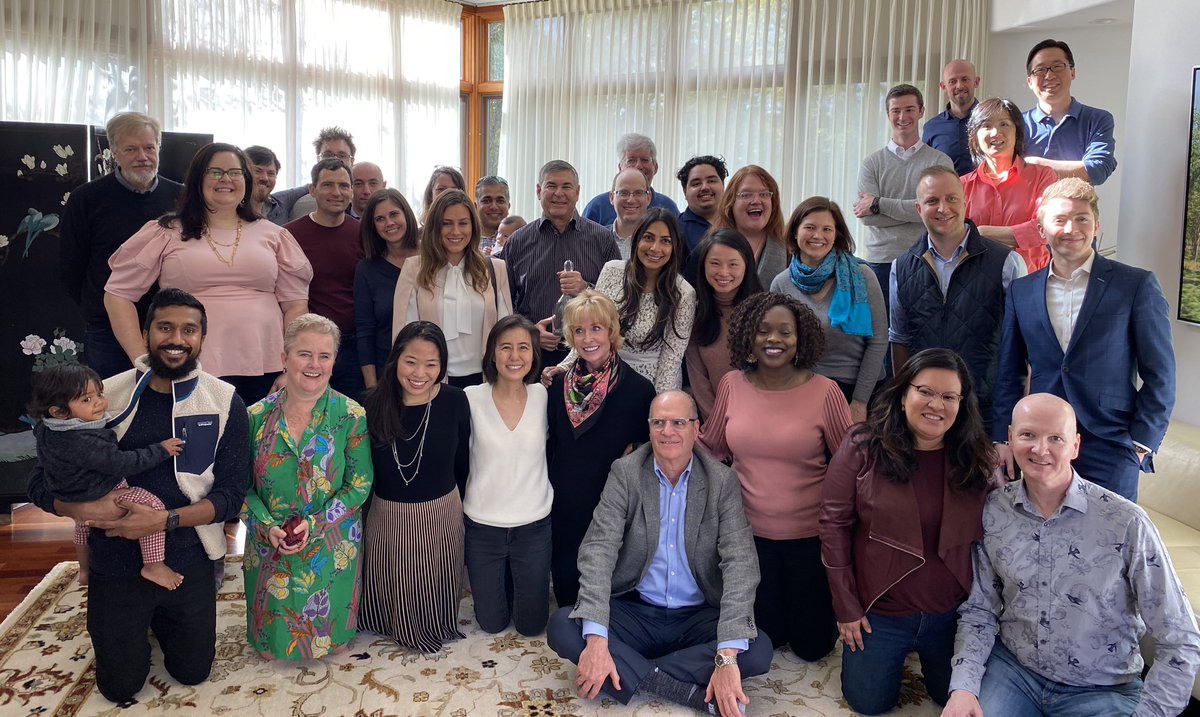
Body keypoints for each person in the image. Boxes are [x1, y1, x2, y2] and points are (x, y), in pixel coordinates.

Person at [25, 288, 250, 704]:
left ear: (202, 338)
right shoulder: (102, 396)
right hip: (113, 555)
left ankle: (159, 619)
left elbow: (232, 495)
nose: (176, 339)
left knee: (193, 671)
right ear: (145, 333)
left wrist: (163, 520)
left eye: (189, 330)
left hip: (188, 554)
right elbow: (38, 483)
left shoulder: (223, 401)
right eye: (165, 327)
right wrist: (78, 508)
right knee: (119, 687)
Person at [941, 394, 1200, 717]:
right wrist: (963, 688)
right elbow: (980, 610)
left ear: (1075, 446)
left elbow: (1180, 637)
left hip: (1103, 687)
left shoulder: (1126, 523)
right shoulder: (994, 510)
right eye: (1028, 435)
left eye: (1056, 438)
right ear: (1010, 437)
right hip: (1015, 672)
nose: (1040, 449)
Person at [546, 391, 773, 717]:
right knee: (563, 627)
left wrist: (725, 658)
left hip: (697, 615)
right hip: (636, 611)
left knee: (757, 649)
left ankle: (632, 669)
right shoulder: (626, 473)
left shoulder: (721, 481)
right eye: (658, 423)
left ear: (696, 429)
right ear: (649, 428)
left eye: (678, 422)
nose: (668, 431)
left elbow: (741, 563)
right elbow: (599, 549)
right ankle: (685, 691)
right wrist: (596, 642)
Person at [820, 348, 995, 714]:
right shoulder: (862, 446)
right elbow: (833, 527)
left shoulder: (977, 457)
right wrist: (846, 607)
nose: (936, 405)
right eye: (925, 391)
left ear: (962, 404)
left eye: (949, 396)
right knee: (868, 703)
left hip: (951, 613)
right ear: (902, 395)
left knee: (955, 698)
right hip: (881, 612)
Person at [992, 178, 1174, 501]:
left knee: (1108, 534)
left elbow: (1161, 374)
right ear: (1041, 229)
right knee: (1042, 531)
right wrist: (1003, 438)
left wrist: (1141, 444)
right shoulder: (1022, 291)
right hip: (1041, 448)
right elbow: (1009, 372)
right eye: (1059, 219)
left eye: (1081, 219)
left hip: (1111, 445)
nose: (1071, 228)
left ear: (1096, 225)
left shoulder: (1135, 285)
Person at [700, 292, 853, 661]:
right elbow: (710, 447)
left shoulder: (826, 391)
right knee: (765, 640)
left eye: (785, 332)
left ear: (800, 339)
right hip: (747, 540)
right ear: (749, 337)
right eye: (764, 330)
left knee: (812, 648)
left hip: (810, 539)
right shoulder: (732, 384)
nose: (774, 339)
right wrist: (658, 442)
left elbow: (850, 463)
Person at [104, 142, 312, 405]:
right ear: (197, 180)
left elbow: (295, 306)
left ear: (246, 181)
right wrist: (143, 360)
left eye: (235, 172)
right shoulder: (166, 232)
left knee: (260, 433)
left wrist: (292, 367)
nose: (225, 179)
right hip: (186, 364)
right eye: (215, 172)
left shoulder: (275, 235)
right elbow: (118, 295)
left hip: (267, 368)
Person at [242, 314, 373, 660]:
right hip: (270, 545)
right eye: (304, 354)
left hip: (332, 542)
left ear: (333, 362)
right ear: (284, 358)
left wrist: (315, 524)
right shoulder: (254, 417)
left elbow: (359, 484)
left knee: (336, 647)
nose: (314, 364)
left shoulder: (351, 415)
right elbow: (240, 487)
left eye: (324, 356)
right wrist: (266, 526)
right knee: (270, 650)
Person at [359, 321, 471, 653]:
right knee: (391, 586)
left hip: (442, 513)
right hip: (388, 515)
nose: (420, 373)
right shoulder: (370, 404)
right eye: (411, 362)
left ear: (442, 367)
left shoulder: (455, 401)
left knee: (433, 588)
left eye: (431, 364)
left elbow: (463, 462)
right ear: (396, 359)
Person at [890, 166, 1026, 429]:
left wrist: (1012, 415)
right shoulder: (901, 266)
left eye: (951, 198)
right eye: (932, 201)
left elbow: (1021, 344)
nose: (943, 208)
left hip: (985, 411)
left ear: (965, 201)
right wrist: (904, 398)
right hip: (926, 412)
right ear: (919, 209)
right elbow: (899, 338)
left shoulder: (1007, 263)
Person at [29, 362, 184, 589]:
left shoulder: (46, 429)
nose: (99, 402)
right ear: (59, 412)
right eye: (86, 399)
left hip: (68, 494)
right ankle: (154, 565)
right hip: (101, 491)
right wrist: (160, 450)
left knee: (82, 525)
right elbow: (123, 463)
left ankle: (84, 570)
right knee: (152, 506)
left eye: (99, 394)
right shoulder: (85, 441)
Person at [547, 291, 655, 607]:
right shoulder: (557, 386)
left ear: (611, 331)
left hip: (611, 507)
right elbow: (551, 445)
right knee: (568, 597)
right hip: (565, 503)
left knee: (609, 597)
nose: (588, 338)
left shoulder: (639, 390)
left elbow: (645, 457)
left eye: (596, 328)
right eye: (579, 330)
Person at [60, 111, 183, 379]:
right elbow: (71, 265)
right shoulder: (86, 199)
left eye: (149, 148)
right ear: (114, 151)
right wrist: (96, 307)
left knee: (171, 399)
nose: (142, 156)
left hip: (172, 324)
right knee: (116, 400)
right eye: (131, 149)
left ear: (159, 148)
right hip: (107, 330)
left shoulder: (182, 198)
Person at [463, 316, 553, 636]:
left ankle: (519, 583)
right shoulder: (470, 397)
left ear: (533, 354)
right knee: (492, 624)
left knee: (532, 626)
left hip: (533, 525)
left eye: (523, 347)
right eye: (505, 348)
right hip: (482, 526)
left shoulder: (543, 396)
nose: (515, 356)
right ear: (492, 353)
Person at [770, 196, 886, 423]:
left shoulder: (862, 275)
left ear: (836, 235)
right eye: (810, 228)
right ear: (795, 232)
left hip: (861, 390)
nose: (818, 236)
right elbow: (780, 346)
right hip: (805, 390)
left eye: (827, 229)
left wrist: (859, 402)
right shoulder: (781, 283)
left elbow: (879, 341)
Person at [553, 209, 696, 392]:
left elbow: (671, 359)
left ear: (675, 247)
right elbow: (589, 326)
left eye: (665, 241)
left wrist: (658, 404)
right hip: (602, 373)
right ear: (636, 239)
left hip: (651, 382)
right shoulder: (611, 270)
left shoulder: (683, 293)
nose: (655, 248)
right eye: (649, 238)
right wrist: (564, 366)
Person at [503, 160, 620, 366]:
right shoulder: (517, 242)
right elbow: (505, 304)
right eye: (551, 186)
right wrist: (529, 332)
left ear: (577, 192)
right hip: (532, 355)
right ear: (539, 191)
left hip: (590, 355)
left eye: (566, 186)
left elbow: (619, 300)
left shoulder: (602, 240)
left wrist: (586, 289)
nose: (559, 193)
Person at [392, 189, 513, 388]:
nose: (456, 231)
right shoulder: (414, 269)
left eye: (463, 223)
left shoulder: (496, 269)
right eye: (446, 223)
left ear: (473, 226)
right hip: (431, 381)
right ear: (434, 227)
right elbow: (404, 336)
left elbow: (506, 332)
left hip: (485, 381)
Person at [854, 84, 955, 312]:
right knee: (884, 329)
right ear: (888, 114)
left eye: (909, 109)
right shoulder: (872, 163)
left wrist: (878, 204)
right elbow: (868, 218)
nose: (902, 117)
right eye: (896, 111)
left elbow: (939, 212)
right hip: (880, 262)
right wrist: (920, 210)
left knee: (925, 329)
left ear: (921, 111)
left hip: (927, 259)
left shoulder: (940, 161)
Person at [285, 159, 365, 398]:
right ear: (312, 190)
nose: (337, 192)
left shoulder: (364, 233)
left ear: (351, 191)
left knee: (351, 416)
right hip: (310, 347)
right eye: (328, 185)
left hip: (354, 348)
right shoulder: (289, 235)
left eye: (344, 185)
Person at [961, 98, 1059, 271]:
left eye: (1004, 124)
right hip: (976, 279)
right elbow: (954, 236)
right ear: (975, 136)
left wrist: (981, 233)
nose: (995, 132)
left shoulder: (1043, 176)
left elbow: (1045, 228)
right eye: (986, 125)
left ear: (1017, 132)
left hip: (1028, 278)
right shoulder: (962, 185)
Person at [684, 229, 763, 420]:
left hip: (759, 417)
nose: (724, 272)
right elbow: (698, 380)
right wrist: (717, 424)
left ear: (747, 265)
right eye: (715, 263)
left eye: (733, 264)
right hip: (713, 420)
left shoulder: (765, 312)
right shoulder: (694, 312)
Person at [1021, 39, 1118, 185]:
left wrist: (1033, 164)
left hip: (1076, 201)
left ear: (1072, 72)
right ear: (1029, 82)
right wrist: (1081, 168)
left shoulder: (1097, 119)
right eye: (1040, 70)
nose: (1049, 76)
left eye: (1057, 66)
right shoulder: (1016, 123)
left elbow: (1097, 169)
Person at [353, 188, 420, 390]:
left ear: (406, 214)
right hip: (388, 373)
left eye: (394, 214)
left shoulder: (433, 258)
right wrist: (372, 388)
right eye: (380, 219)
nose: (389, 223)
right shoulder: (367, 270)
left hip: (435, 370)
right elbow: (365, 331)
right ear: (372, 226)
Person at [709, 164, 788, 288]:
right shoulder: (710, 246)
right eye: (746, 195)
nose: (756, 201)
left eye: (764, 194)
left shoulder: (790, 249)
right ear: (731, 203)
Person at [581, 133, 680, 226]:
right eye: (631, 160)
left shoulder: (668, 207)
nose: (638, 166)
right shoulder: (598, 207)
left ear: (656, 167)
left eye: (645, 160)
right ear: (620, 168)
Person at [273, 126, 357, 220]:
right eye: (327, 155)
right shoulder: (302, 205)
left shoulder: (365, 198)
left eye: (342, 155)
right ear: (318, 159)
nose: (334, 160)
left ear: (352, 161)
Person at [922, 60, 982, 175]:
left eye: (965, 79)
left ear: (976, 82)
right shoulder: (931, 128)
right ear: (943, 86)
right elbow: (926, 171)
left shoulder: (992, 121)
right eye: (952, 81)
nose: (959, 86)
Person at [675, 155, 728, 253]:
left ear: (723, 185)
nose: (705, 187)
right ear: (685, 192)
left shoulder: (737, 222)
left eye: (711, 181)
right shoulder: (675, 230)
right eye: (696, 183)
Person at [607, 168, 653, 259]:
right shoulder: (597, 239)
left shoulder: (658, 244)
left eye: (638, 193)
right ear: (612, 198)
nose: (631, 200)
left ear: (648, 198)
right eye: (623, 193)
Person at [244, 145, 287, 225]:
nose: (265, 178)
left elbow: (309, 187)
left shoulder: (281, 202)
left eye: (271, 173)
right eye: (258, 171)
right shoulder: (229, 210)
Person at [474, 175, 511, 250]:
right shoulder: (465, 239)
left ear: (508, 206)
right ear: (475, 206)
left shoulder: (519, 238)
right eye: (487, 201)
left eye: (500, 201)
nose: (494, 207)